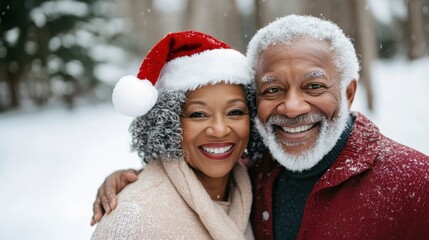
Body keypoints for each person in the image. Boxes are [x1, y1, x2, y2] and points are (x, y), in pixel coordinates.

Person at [91, 15, 429, 240]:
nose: (293, 107)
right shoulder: (258, 169)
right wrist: (140, 180)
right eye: (273, 90)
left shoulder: (414, 182)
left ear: (348, 93)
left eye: (313, 86)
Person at [91, 30, 256, 239]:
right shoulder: (136, 218)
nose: (220, 129)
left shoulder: (260, 187)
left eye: (235, 112)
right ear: (167, 123)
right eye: (198, 114)